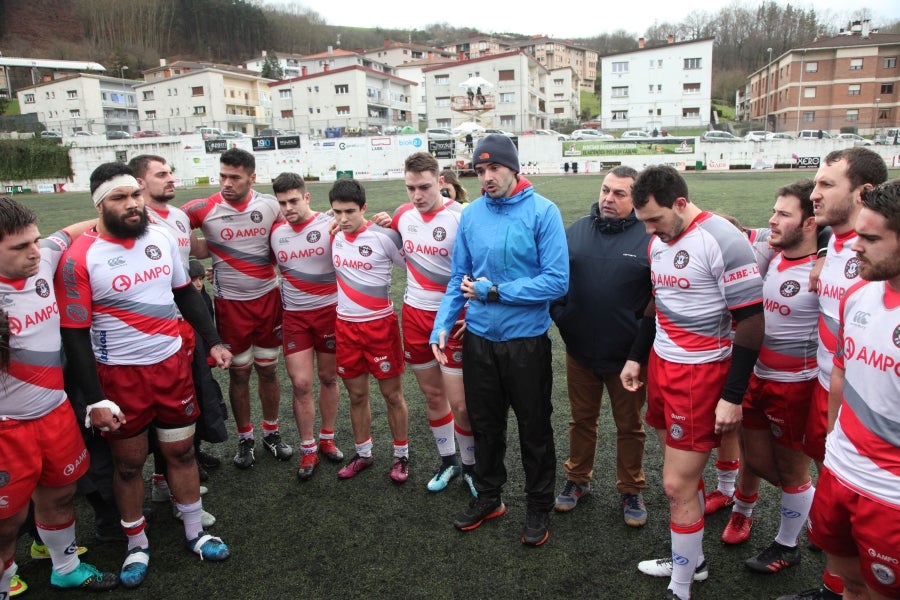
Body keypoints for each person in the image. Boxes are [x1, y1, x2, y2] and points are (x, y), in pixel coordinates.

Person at [57, 163, 233, 589]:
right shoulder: (79, 257)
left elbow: (182, 293)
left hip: (172, 368)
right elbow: (75, 336)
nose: (133, 204)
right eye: (120, 198)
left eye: (135, 194)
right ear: (99, 204)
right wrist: (97, 399)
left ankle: (196, 531)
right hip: (120, 378)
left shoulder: (158, 237)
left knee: (183, 453)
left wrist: (212, 340)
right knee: (129, 463)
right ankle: (136, 543)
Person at [621, 165, 764, 600]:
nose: (649, 230)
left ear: (680, 204)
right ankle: (694, 559)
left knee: (674, 484)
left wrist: (732, 396)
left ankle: (681, 586)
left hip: (701, 376)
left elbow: (752, 322)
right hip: (663, 366)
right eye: (643, 221)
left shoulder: (722, 239)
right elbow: (657, 302)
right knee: (678, 472)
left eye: (655, 219)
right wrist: (636, 355)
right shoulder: (657, 241)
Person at [430, 134, 569, 547]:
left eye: (494, 169)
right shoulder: (471, 215)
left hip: (525, 342)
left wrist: (497, 292)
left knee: (534, 428)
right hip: (479, 341)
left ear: (513, 168)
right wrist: (443, 321)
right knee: (485, 425)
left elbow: (557, 281)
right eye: (480, 170)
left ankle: (538, 505)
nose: (486, 177)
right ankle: (490, 497)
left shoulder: (543, 212)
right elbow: (460, 277)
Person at [777, 148, 888, 600]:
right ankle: (835, 586)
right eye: (815, 183)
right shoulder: (839, 240)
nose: (814, 193)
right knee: (833, 494)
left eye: (826, 185)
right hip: (827, 386)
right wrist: (823, 247)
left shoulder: (882, 255)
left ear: (864, 192)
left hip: (873, 406)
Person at [0, 197, 118, 596]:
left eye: (33, 240)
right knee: (7, 519)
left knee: (61, 493)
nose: (34, 252)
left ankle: (64, 566)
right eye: (19, 247)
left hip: (55, 412)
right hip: (6, 428)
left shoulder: (43, 261)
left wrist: (106, 219)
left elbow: (66, 235)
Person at [716, 181, 821, 575]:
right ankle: (809, 507)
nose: (772, 220)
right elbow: (724, 226)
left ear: (810, 223)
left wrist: (826, 248)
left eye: (783, 214)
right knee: (757, 460)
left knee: (792, 472)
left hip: (794, 385)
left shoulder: (824, 271)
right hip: (756, 376)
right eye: (774, 212)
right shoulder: (768, 248)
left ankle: (789, 543)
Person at [804, 179, 900, 600]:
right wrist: (832, 440)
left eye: (870, 237)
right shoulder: (859, 294)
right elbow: (842, 373)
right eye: (857, 232)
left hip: (890, 496)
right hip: (841, 470)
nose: (854, 245)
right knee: (851, 583)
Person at [549, 166, 652, 526]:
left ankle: (630, 489)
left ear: (636, 199)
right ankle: (578, 480)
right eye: (605, 190)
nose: (608, 198)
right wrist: (562, 317)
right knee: (581, 421)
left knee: (629, 425)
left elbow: (657, 300)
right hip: (580, 352)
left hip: (628, 359)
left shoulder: (648, 237)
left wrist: (638, 348)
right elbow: (554, 280)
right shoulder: (575, 231)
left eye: (619, 193)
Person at [373, 153, 476, 494]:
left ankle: (473, 467)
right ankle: (448, 462)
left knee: (460, 403)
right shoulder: (403, 215)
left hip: (453, 318)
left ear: (441, 182)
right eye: (410, 188)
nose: (416, 195)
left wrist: (471, 312)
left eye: (424, 187)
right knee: (433, 396)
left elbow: (481, 268)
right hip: (415, 316)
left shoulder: (463, 216)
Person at [182, 148, 292, 469]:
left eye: (235, 177)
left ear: (252, 178)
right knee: (240, 375)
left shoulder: (270, 205)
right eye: (222, 176)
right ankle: (246, 438)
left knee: (269, 370)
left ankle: (271, 432)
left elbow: (286, 238)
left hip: (268, 301)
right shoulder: (203, 208)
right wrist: (198, 250)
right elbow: (168, 221)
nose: (227, 183)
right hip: (231, 307)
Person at [128, 155, 218, 528]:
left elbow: (194, 252)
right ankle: (159, 483)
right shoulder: (133, 224)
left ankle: (173, 478)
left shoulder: (179, 217)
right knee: (148, 419)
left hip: (187, 326)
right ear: (139, 182)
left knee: (188, 405)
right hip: (149, 336)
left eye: (170, 172)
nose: (170, 179)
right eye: (161, 174)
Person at [328, 178, 411, 483]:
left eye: (350, 211)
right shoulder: (332, 231)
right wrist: (331, 218)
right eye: (337, 211)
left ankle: (401, 456)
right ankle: (363, 454)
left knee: (392, 395)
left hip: (380, 326)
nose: (343, 218)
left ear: (364, 208)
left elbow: (416, 266)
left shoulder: (384, 237)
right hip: (346, 327)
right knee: (357, 395)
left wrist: (397, 226)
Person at [269, 172, 344, 482]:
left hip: (329, 313)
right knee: (300, 384)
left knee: (328, 377)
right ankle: (307, 446)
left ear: (307, 197)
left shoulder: (329, 225)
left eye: (293, 201)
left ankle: (327, 437)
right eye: (282, 202)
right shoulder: (275, 233)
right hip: (295, 317)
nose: (288, 207)